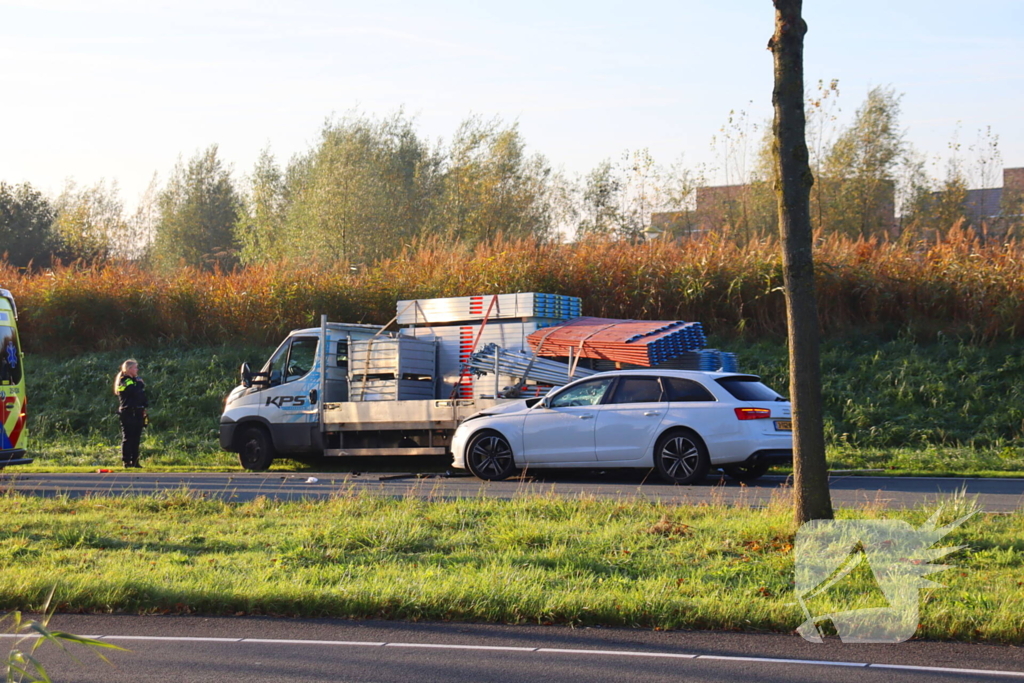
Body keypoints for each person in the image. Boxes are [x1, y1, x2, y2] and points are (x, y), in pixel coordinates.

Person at [114, 359, 148, 468]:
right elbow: (132, 391)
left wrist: (144, 407)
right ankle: (126, 461)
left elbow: (140, 396)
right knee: (128, 437)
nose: (137, 370)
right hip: (128, 412)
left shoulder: (135, 381)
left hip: (138, 411)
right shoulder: (124, 380)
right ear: (129, 369)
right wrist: (140, 383)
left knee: (136, 438)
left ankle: (135, 461)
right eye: (135, 367)